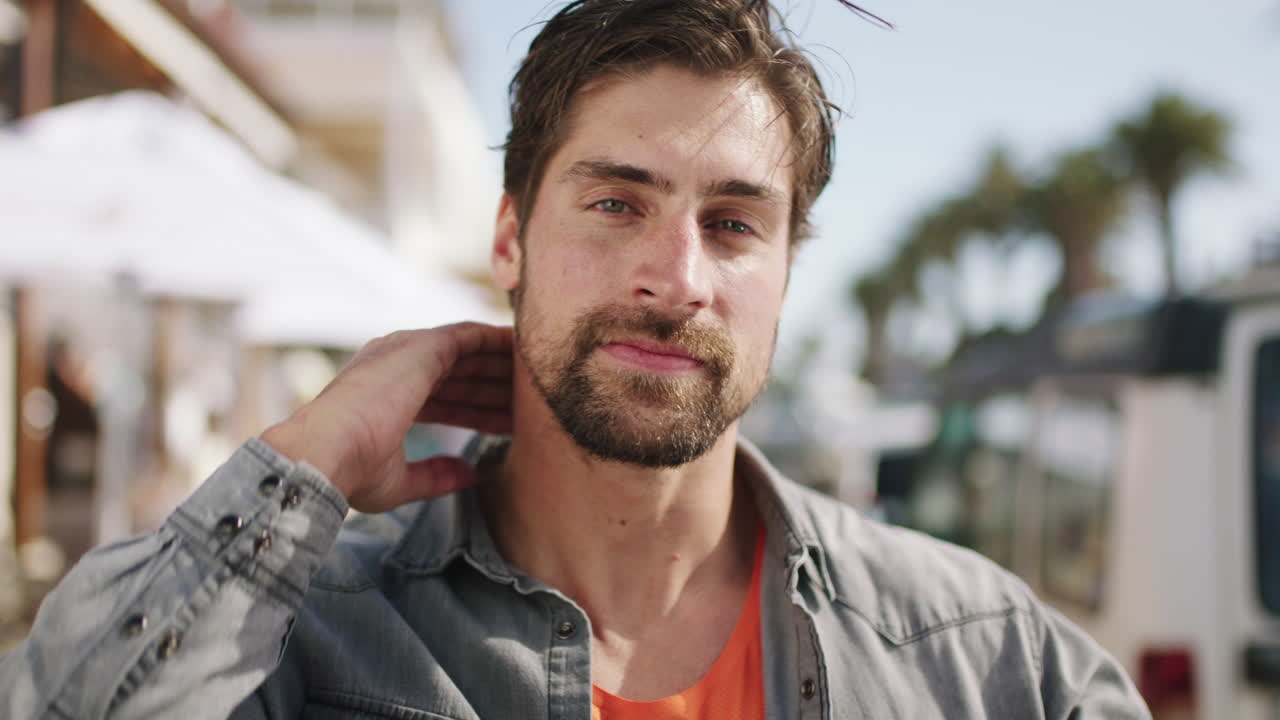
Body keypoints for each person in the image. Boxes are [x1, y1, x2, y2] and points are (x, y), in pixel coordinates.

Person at [2, 1, 1151, 718]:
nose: (676, 277)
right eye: (614, 202)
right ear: (510, 236)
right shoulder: (304, 631)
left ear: (785, 274)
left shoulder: (985, 661)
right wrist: (300, 461)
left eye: (735, 223)